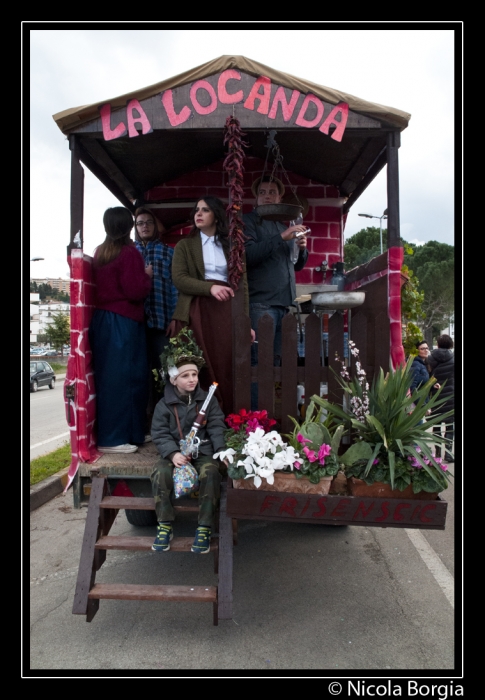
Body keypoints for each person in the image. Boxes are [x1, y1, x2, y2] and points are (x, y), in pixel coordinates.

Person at [168, 195, 253, 415]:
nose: (198, 214)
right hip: (196, 310)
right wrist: (210, 288)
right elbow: (179, 278)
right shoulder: (185, 246)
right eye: (197, 210)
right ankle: (198, 419)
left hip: (226, 311)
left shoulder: (234, 246)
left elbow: (242, 286)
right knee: (200, 365)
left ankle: (228, 419)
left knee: (225, 364)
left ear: (216, 215)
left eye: (205, 210)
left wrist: (246, 323)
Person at [150, 329, 227, 554]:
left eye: (194, 374)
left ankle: (204, 526)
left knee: (211, 473)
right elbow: (160, 433)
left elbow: (215, 425)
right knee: (160, 473)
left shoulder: (207, 400)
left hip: (202, 451)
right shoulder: (164, 405)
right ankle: (164, 523)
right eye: (185, 376)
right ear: (174, 379)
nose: (192, 379)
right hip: (175, 453)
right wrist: (173, 454)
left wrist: (220, 449)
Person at [89, 207, 153, 454]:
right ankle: (113, 439)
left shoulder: (100, 252)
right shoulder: (129, 253)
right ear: (129, 226)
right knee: (127, 379)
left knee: (112, 379)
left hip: (104, 320)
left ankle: (129, 434)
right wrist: (146, 276)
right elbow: (135, 291)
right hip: (123, 322)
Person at [243, 175, 309, 366]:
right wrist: (282, 237)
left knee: (276, 365)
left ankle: (268, 398)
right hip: (260, 305)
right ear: (256, 197)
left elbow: (296, 265)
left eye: (272, 192)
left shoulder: (281, 225)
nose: (267, 197)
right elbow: (248, 255)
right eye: (262, 193)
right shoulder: (248, 222)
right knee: (258, 363)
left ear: (280, 198)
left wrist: (301, 249)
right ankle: (256, 398)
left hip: (284, 306)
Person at [134, 206, 178, 428]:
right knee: (140, 371)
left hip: (162, 321)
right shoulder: (130, 252)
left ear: (155, 226)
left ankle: (170, 419)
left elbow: (174, 288)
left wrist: (174, 318)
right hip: (136, 323)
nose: (144, 226)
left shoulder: (168, 252)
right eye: (140, 223)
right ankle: (144, 420)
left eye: (148, 222)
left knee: (167, 370)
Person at [428, 334, 455, 462]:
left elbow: (426, 377)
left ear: (438, 344)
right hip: (451, 396)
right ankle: (448, 454)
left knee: (436, 425)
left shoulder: (430, 358)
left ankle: (438, 454)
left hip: (436, 396)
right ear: (450, 345)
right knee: (450, 426)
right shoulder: (454, 358)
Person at [409, 339, 440, 420]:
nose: (426, 350)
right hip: (415, 406)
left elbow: (421, 384)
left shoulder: (422, 364)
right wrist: (422, 406)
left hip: (419, 404)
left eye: (427, 348)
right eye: (422, 349)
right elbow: (412, 387)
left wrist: (432, 386)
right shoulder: (416, 365)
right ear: (416, 351)